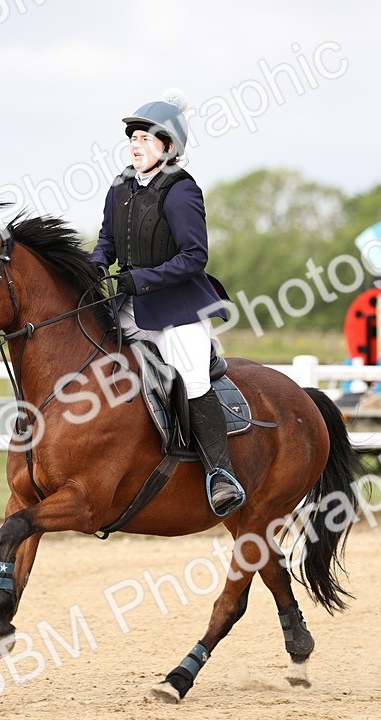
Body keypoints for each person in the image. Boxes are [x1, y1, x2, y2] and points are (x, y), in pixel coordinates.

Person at [90, 93, 245, 517]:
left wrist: (140, 278)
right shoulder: (120, 188)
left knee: (192, 377)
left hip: (178, 308)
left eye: (144, 138)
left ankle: (220, 475)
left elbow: (195, 256)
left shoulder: (181, 192)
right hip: (130, 303)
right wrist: (92, 268)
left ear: (169, 148)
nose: (135, 145)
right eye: (133, 138)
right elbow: (106, 242)